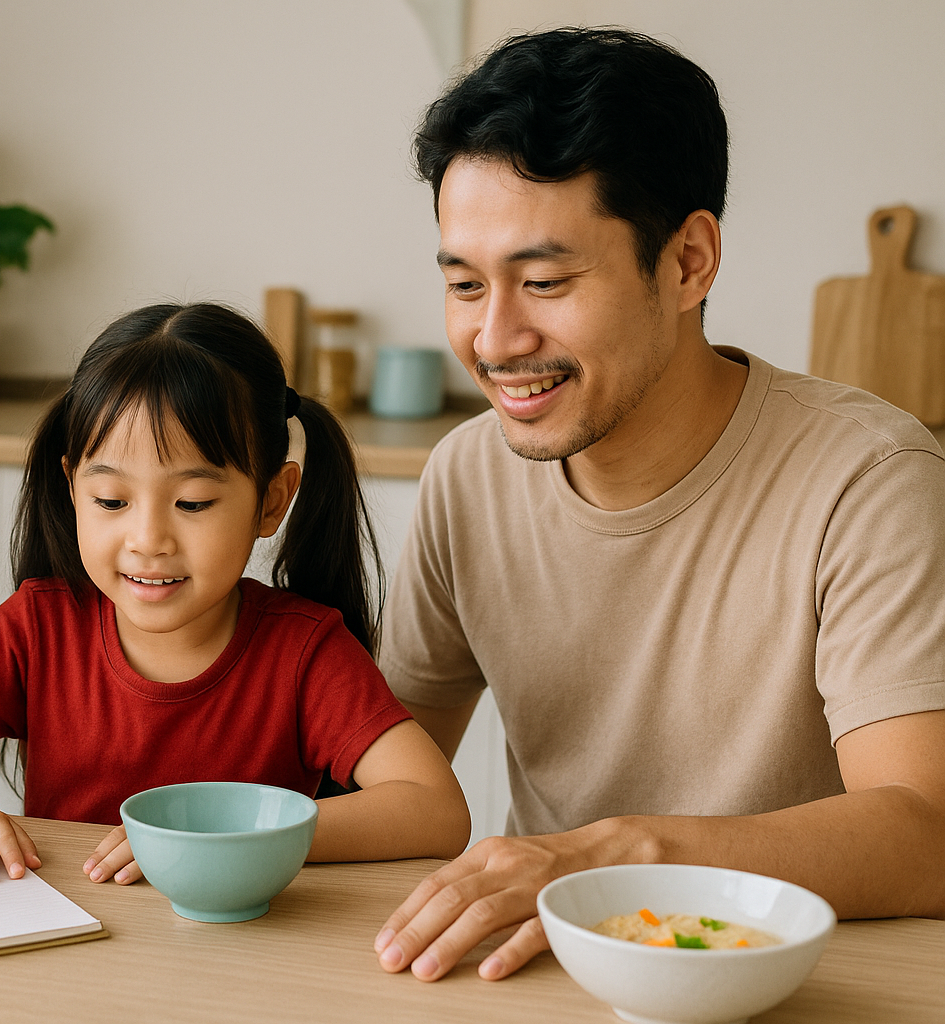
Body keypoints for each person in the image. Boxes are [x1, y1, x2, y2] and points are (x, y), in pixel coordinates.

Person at [372, 27, 945, 982]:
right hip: (538, 977)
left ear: (688, 262)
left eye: (544, 282)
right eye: (465, 285)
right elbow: (384, 779)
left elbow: (928, 832)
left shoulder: (869, 479)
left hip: (798, 985)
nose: (495, 338)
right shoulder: (466, 474)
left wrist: (617, 857)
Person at [0, 303, 470, 884]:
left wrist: (233, 835)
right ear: (72, 489)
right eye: (110, 501)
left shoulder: (305, 652)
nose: (148, 540)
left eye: (192, 503)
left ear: (271, 501)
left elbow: (436, 809)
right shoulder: (39, 628)